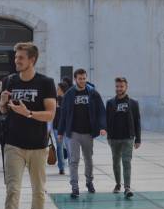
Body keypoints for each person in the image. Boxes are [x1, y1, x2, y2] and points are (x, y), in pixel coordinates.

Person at [0, 42, 56, 209]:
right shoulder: (10, 81)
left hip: (39, 146)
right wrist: (2, 103)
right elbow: (3, 110)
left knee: (39, 192)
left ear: (32, 60)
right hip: (13, 144)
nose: (16, 61)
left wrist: (29, 113)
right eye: (16, 57)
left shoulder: (46, 83)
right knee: (12, 191)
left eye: (21, 57)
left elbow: (50, 114)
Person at [58, 69, 106, 198]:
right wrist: (61, 131)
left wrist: (102, 126)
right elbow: (63, 114)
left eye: (84, 78)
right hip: (73, 133)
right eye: (80, 78)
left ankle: (89, 182)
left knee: (88, 159)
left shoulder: (93, 93)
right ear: (75, 79)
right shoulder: (69, 94)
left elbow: (101, 111)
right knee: (73, 160)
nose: (83, 81)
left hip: (88, 133)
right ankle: (75, 187)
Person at [106, 77, 141, 199]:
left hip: (128, 138)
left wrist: (138, 139)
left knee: (126, 162)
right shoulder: (110, 103)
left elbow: (137, 121)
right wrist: (108, 136)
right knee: (116, 163)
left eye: (121, 86)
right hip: (114, 138)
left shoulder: (133, 103)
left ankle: (127, 187)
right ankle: (117, 184)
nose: (119, 89)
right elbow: (107, 120)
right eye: (117, 86)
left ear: (126, 87)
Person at [52, 82, 69, 175]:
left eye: (58, 88)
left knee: (68, 147)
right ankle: (61, 167)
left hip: (66, 127)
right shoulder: (54, 99)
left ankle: (71, 166)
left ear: (62, 90)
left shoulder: (68, 99)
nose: (56, 90)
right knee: (59, 147)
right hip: (56, 127)